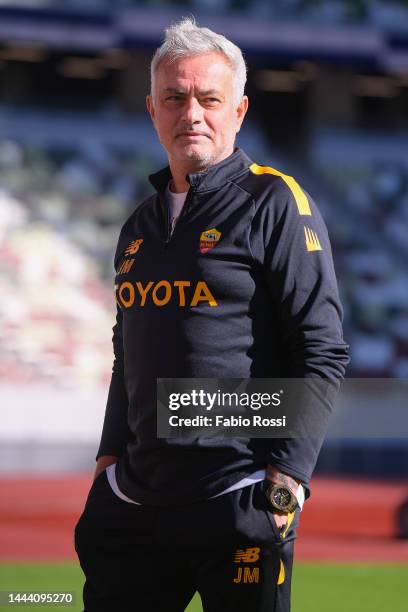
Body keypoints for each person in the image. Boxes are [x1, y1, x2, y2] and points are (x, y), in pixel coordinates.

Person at [74, 17, 349, 612]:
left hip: (240, 495)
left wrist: (286, 481)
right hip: (135, 506)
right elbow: (129, 354)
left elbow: (322, 350)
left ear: (240, 110)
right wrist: (107, 462)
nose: (191, 113)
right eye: (174, 98)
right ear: (152, 110)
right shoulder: (138, 228)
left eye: (209, 99)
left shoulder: (277, 202)